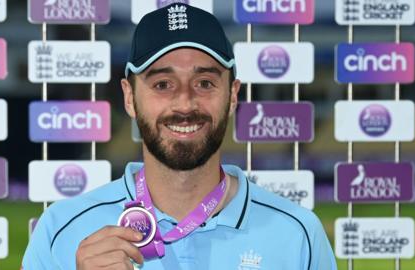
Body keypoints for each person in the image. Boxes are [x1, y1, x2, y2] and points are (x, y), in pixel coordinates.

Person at [22, 4, 337, 270]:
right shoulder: (59, 229)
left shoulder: (298, 234)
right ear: (130, 98)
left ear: (232, 96)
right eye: (162, 85)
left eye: (204, 83)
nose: (185, 104)